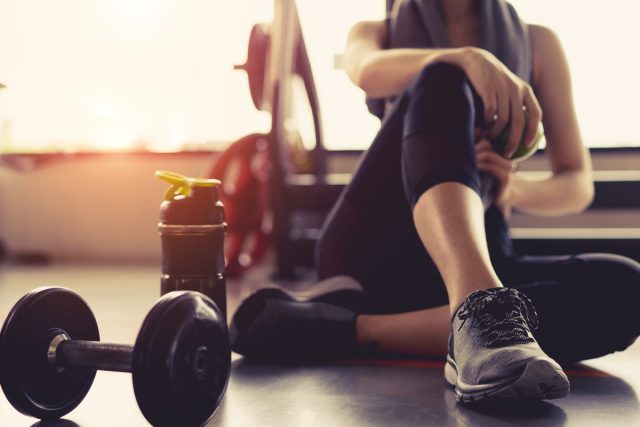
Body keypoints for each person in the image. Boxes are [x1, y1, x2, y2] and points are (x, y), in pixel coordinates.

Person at [229, 0, 640, 403]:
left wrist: (515, 190)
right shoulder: (376, 31)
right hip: (377, 248)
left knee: (627, 289)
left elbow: (577, 182)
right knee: (443, 74)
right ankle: (479, 313)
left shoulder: (539, 42)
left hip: (481, 250)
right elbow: (366, 71)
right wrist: (468, 59)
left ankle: (354, 328)